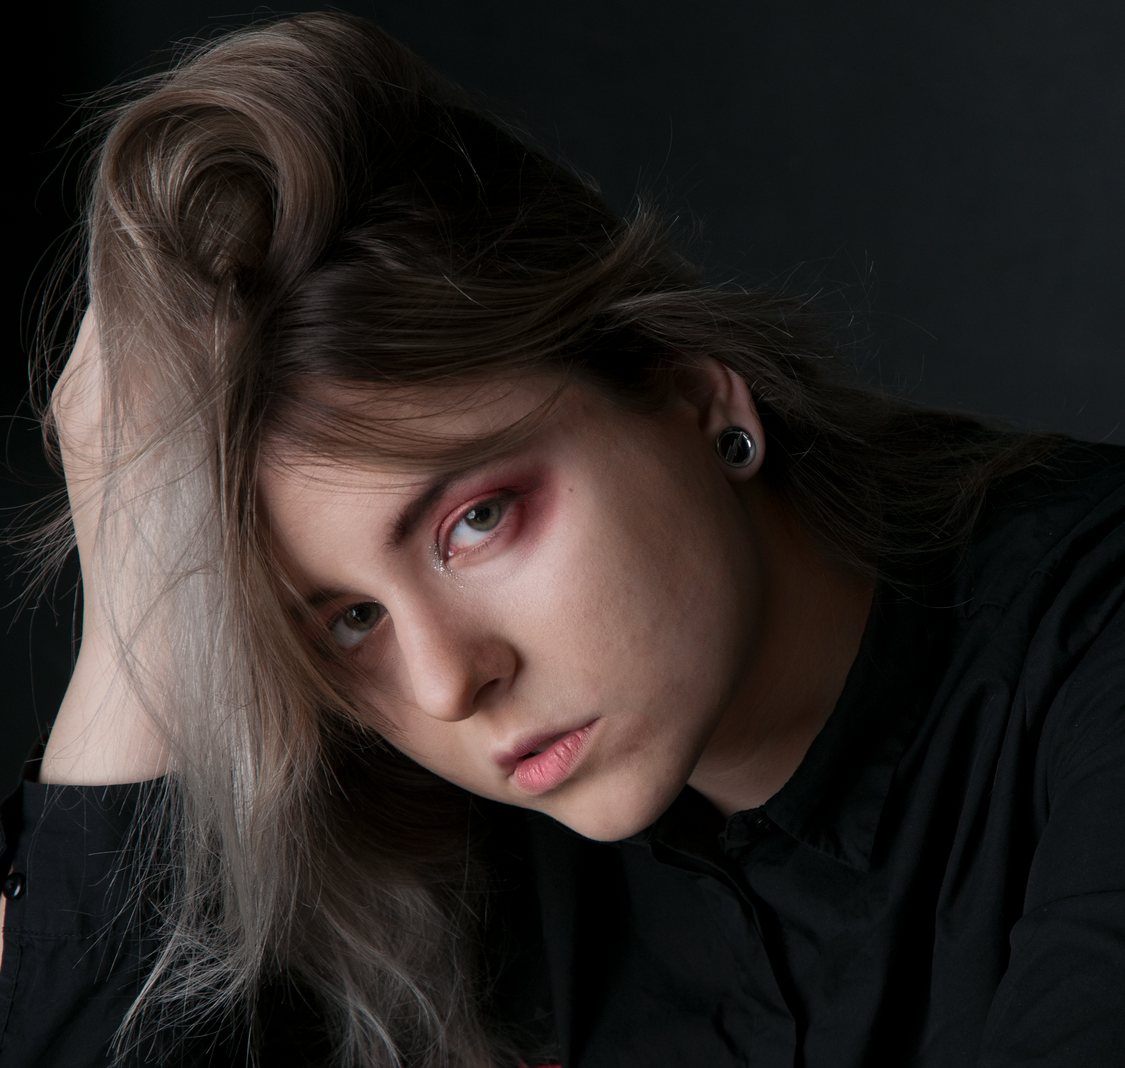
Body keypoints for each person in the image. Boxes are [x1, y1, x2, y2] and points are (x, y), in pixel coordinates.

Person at [1, 12, 1122, 1068]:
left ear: (693, 395)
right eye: (350, 620)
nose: (446, 685)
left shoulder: (1091, 640)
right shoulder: (419, 858)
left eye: (476, 520)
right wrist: (137, 610)